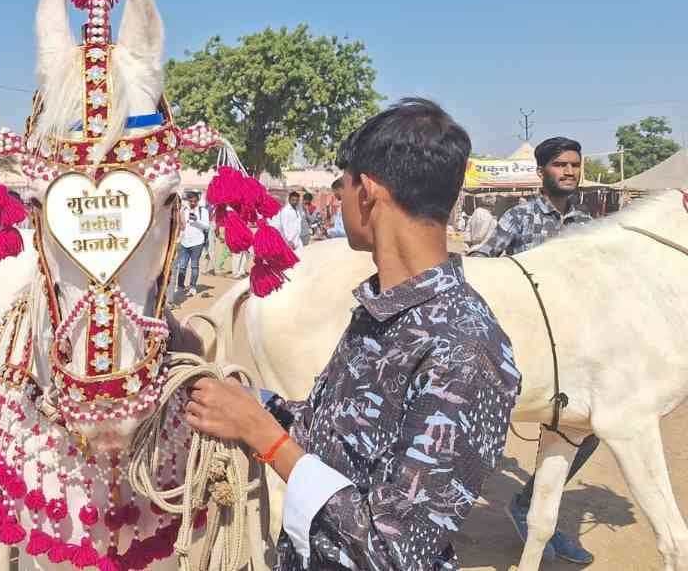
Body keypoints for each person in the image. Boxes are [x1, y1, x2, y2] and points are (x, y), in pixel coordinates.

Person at [184, 99, 519, 571]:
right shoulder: (383, 310)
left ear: (368, 191)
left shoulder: (464, 349)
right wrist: (249, 402)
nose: (339, 199)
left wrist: (263, 436)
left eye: (341, 185)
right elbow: (334, 435)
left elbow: (391, 553)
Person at [469, 136, 595, 564]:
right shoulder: (519, 218)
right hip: (522, 350)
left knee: (585, 432)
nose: (570, 172)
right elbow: (480, 265)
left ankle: (530, 508)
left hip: (573, 353)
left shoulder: (585, 224)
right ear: (542, 171)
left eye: (575, 165)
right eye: (560, 165)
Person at [175, 191, 209, 297]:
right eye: (191, 201)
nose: (193, 203)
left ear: (198, 200)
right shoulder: (184, 210)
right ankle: (180, 286)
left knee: (194, 265)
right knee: (182, 266)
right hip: (185, 241)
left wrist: (196, 220)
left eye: (195, 201)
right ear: (188, 201)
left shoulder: (203, 211)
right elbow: (182, 225)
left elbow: (207, 227)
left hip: (197, 242)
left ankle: (193, 287)